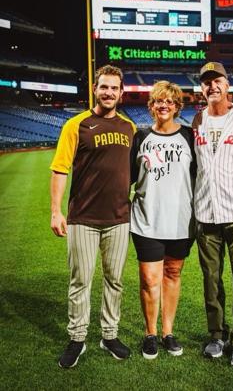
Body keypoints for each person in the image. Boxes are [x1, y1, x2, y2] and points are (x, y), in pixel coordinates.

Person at [50, 65, 136, 368]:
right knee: (80, 280)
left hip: (119, 218)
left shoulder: (129, 128)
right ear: (95, 89)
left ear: (121, 92)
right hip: (82, 217)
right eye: (104, 87)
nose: (109, 92)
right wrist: (56, 210)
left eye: (114, 88)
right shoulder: (77, 125)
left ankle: (109, 335)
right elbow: (60, 168)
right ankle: (77, 338)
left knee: (115, 281)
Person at [192, 62, 233, 366]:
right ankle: (217, 335)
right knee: (211, 280)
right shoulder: (197, 119)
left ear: (228, 85)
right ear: (202, 88)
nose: (212, 86)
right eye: (206, 82)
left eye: (217, 81)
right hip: (205, 213)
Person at [130, 81, 196, 360]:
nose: (164, 105)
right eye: (159, 101)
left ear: (177, 106)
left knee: (172, 274)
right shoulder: (141, 136)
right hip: (147, 219)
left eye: (169, 101)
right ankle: (150, 333)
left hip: (182, 220)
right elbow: (127, 178)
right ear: (152, 106)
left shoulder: (190, 136)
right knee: (149, 278)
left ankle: (168, 332)